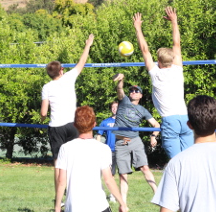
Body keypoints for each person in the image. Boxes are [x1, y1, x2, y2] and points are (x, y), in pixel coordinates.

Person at [133, 6, 193, 159]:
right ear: (172, 60)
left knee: (177, 161)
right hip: (185, 119)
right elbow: (177, 44)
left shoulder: (156, 73)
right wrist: (174, 21)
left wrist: (138, 28)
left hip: (170, 120)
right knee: (188, 159)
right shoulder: (178, 69)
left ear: (158, 61)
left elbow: (145, 50)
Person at [40, 33, 94, 201]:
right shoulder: (69, 78)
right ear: (62, 70)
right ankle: (76, 193)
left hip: (56, 127)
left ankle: (59, 199)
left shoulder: (47, 87)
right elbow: (81, 63)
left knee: (58, 164)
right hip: (72, 125)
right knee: (75, 160)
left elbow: (43, 113)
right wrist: (88, 45)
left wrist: (42, 119)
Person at [55, 105, 128, 212]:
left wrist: (57, 206)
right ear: (94, 124)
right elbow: (108, 180)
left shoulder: (65, 148)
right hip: (98, 206)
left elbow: (61, 181)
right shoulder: (103, 148)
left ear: (75, 125)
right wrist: (122, 203)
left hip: (73, 207)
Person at [112, 73, 160, 208]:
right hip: (121, 141)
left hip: (135, 141)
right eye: (132, 90)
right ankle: (124, 204)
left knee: (145, 167)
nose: (133, 92)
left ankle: (157, 195)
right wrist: (121, 80)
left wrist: (153, 136)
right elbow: (120, 90)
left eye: (136, 91)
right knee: (123, 174)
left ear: (140, 95)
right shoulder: (124, 101)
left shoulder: (143, 110)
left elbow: (156, 125)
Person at [96, 101, 119, 202]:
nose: (114, 109)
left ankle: (117, 195)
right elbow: (99, 135)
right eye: (113, 107)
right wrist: (97, 147)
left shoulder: (124, 121)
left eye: (116, 107)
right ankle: (111, 195)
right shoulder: (105, 122)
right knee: (108, 173)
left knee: (121, 174)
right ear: (111, 109)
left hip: (121, 150)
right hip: (109, 151)